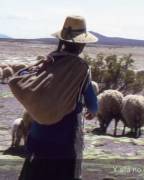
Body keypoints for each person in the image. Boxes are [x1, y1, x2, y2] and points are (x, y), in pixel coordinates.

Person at [19, 15, 98, 180]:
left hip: (38, 136)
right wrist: (92, 111)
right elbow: (92, 103)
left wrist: (40, 66)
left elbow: (21, 76)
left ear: (62, 40)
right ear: (82, 44)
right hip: (65, 141)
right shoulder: (82, 68)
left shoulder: (48, 61)